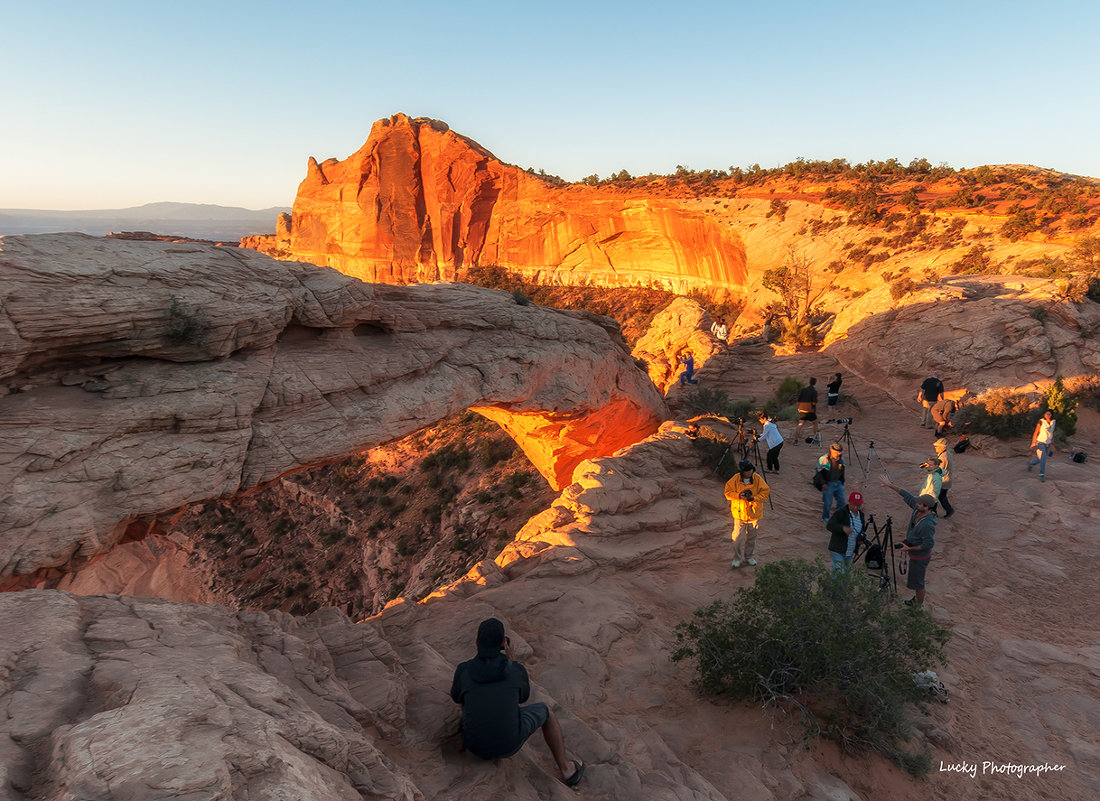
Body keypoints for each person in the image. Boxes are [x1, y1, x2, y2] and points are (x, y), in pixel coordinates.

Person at [450, 618, 585, 787]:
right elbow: (523, 697)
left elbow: (456, 697)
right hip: (509, 744)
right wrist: (513, 662)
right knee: (546, 711)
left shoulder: (463, 670)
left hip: (474, 746)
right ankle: (567, 770)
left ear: (477, 642)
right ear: (503, 643)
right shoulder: (514, 670)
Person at [880, 475, 936, 608]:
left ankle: (918, 606)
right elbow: (907, 495)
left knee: (918, 583)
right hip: (915, 553)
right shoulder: (918, 510)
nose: (916, 504)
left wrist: (908, 549)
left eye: (919, 503)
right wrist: (890, 485)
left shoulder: (928, 524)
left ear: (927, 507)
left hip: (920, 556)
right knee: (916, 580)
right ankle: (916, 601)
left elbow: (928, 544)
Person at [724, 459, 770, 568]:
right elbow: (727, 492)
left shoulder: (757, 479)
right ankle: (737, 558)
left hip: (754, 515)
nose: (750, 472)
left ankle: (749, 557)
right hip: (739, 515)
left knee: (751, 539)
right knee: (737, 539)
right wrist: (739, 496)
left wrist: (753, 498)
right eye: (747, 471)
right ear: (742, 471)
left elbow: (765, 492)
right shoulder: (735, 479)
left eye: (751, 470)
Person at [826, 491, 867, 571]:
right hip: (837, 550)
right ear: (849, 502)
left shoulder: (861, 516)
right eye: (854, 504)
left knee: (843, 577)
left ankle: (832, 583)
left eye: (858, 505)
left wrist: (861, 540)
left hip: (849, 552)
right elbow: (829, 525)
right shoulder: (841, 512)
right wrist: (842, 528)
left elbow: (862, 531)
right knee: (840, 573)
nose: (856, 507)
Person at [816, 443, 846, 522]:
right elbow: (819, 473)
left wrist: (842, 481)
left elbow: (842, 471)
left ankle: (837, 517)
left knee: (842, 501)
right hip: (828, 484)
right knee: (828, 503)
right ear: (831, 450)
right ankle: (825, 518)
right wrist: (823, 483)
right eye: (837, 452)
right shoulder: (823, 459)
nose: (838, 454)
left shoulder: (841, 459)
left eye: (839, 452)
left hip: (838, 483)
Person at [1027, 409, 1056, 482]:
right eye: (1046, 414)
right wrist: (1033, 443)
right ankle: (1041, 475)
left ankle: (1030, 463)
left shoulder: (1053, 422)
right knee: (1043, 458)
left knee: (1039, 459)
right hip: (1040, 442)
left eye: (1049, 414)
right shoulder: (1041, 421)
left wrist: (1052, 443)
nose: (1047, 415)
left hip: (1048, 443)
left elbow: (1052, 432)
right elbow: (1036, 432)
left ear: (1051, 415)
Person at [933, 438, 955, 518]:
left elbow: (939, 470)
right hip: (946, 480)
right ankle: (949, 510)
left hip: (943, 481)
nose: (935, 448)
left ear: (942, 447)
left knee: (935, 496)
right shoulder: (946, 453)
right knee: (942, 496)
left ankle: (933, 513)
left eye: (937, 446)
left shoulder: (943, 457)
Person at [794, 377, 819, 444]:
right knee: (815, 424)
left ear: (809, 382)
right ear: (815, 383)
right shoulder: (814, 391)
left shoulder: (803, 390)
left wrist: (799, 408)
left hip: (802, 410)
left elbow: (798, 400)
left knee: (800, 425)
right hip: (810, 411)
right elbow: (814, 402)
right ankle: (816, 438)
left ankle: (796, 440)